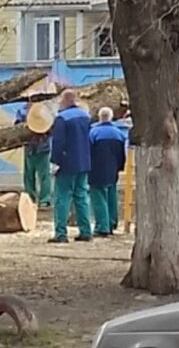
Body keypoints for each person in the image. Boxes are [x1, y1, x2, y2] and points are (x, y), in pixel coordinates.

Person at [49, 89, 92, 243]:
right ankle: (86, 231)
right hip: (84, 162)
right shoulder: (86, 116)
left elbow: (58, 143)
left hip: (66, 163)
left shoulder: (62, 118)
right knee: (81, 196)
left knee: (62, 198)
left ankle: (61, 233)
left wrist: (55, 162)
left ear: (65, 101)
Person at [89, 107, 127, 236]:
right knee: (111, 196)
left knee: (98, 197)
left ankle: (102, 226)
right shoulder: (119, 134)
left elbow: (89, 152)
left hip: (96, 169)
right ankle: (112, 223)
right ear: (111, 117)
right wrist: (120, 167)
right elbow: (122, 154)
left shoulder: (93, 133)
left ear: (100, 117)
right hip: (113, 169)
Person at [14, 97, 52, 208]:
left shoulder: (45, 111)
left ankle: (45, 199)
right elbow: (16, 128)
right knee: (29, 175)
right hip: (29, 147)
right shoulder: (22, 111)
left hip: (43, 148)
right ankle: (30, 198)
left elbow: (51, 128)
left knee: (44, 175)